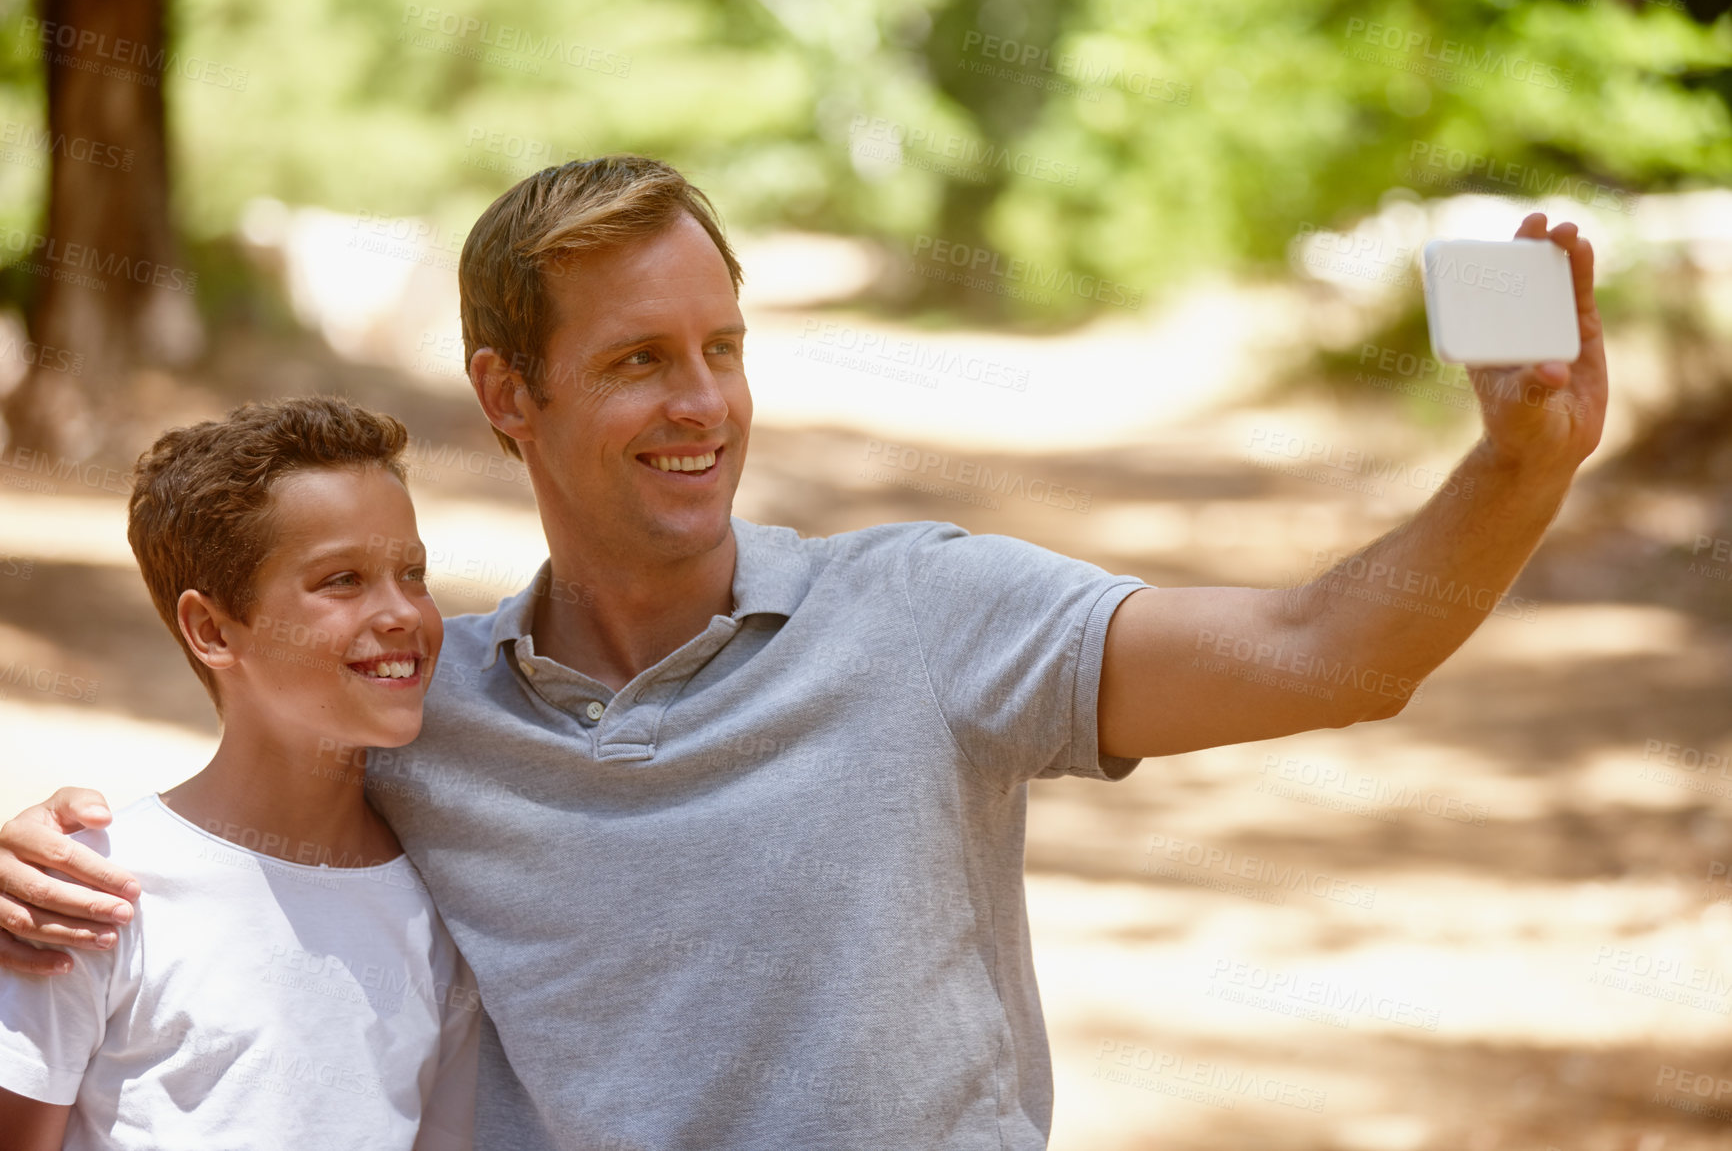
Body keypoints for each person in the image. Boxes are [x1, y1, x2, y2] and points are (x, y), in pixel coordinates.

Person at [0, 156, 1607, 1150]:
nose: (702, 403)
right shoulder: (438, 714)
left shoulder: (927, 618)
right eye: (639, 361)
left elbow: (1328, 653)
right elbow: (236, 827)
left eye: (722, 348)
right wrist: (37, 855)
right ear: (510, 399)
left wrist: (1519, 467)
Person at [0, 396, 479, 1151]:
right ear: (213, 630)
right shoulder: (90, 892)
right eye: (342, 580)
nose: (402, 614)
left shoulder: (438, 910)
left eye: (412, 573)